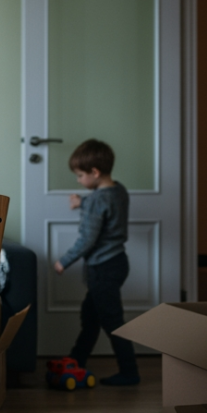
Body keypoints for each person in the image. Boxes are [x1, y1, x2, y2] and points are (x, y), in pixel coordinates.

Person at [52, 139, 140, 385]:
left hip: (102, 268)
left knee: (112, 321)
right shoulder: (118, 190)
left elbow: (87, 239)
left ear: (95, 172)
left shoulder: (97, 201)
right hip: (117, 263)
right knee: (90, 317)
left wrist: (64, 262)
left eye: (80, 175)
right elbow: (104, 206)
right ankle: (76, 361)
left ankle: (130, 372)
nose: (78, 181)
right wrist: (84, 203)